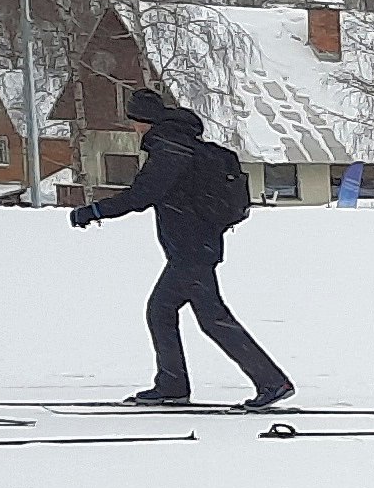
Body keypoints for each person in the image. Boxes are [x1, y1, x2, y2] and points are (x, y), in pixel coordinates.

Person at [71, 86, 293, 409]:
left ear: (143, 121)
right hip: (197, 246)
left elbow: (141, 195)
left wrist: (93, 211)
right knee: (182, 314)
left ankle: (264, 382)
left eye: (134, 121)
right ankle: (179, 384)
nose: (133, 127)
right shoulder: (181, 144)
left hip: (191, 250)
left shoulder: (169, 150)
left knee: (182, 314)